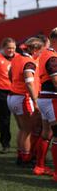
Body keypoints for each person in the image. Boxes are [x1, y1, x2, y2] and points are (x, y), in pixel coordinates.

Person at [7, 37, 43, 166]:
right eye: (40, 51)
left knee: (22, 129)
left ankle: (20, 155)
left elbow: (10, 73)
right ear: (34, 50)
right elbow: (29, 82)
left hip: (12, 96)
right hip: (23, 97)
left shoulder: (17, 58)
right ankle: (26, 158)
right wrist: (35, 100)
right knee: (28, 130)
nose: (40, 54)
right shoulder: (29, 62)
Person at [34, 28, 57, 181]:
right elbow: (56, 81)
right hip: (51, 98)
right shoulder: (52, 57)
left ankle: (40, 166)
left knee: (47, 133)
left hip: (45, 98)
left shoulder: (47, 54)